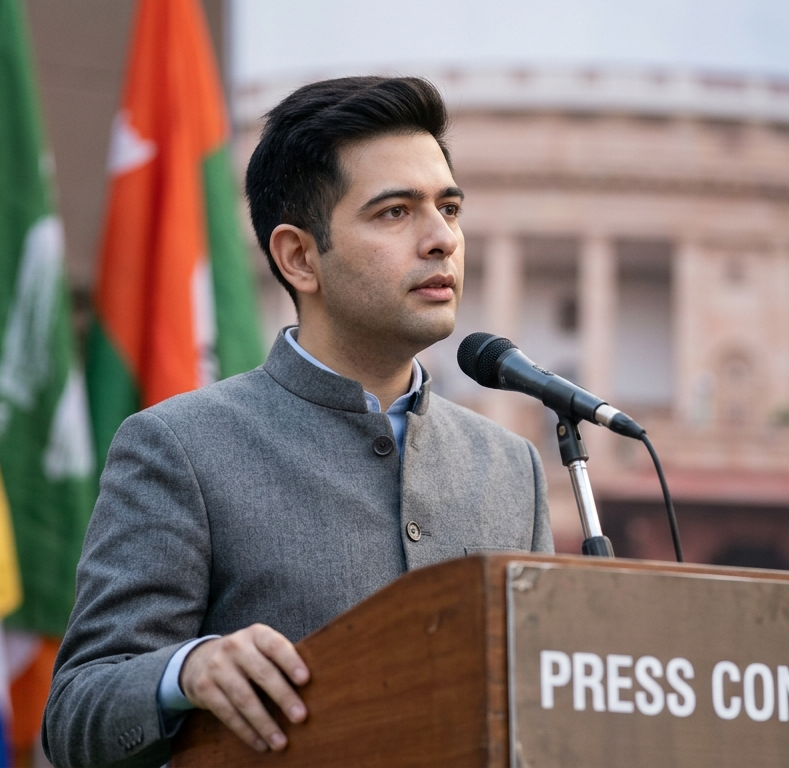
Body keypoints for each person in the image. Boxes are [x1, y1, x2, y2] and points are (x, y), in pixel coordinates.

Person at [43, 76, 553, 768]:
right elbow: (76, 714)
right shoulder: (180, 447)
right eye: (395, 212)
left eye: (449, 208)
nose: (442, 240)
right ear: (299, 258)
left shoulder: (512, 465)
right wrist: (187, 671)